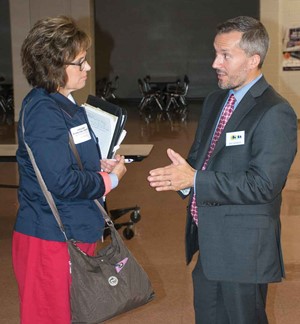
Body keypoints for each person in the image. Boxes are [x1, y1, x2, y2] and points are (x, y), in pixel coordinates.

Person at [147, 16, 297, 324]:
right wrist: (183, 179)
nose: (216, 63)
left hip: (244, 251)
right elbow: (200, 160)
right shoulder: (217, 100)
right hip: (209, 243)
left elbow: (264, 185)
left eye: (226, 55)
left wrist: (196, 179)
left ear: (253, 59)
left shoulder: (274, 111)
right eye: (216, 53)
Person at [12, 16, 127, 324]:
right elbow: (61, 181)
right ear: (53, 67)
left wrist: (98, 164)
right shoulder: (43, 111)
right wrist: (109, 180)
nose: (87, 68)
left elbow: (69, 161)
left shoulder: (63, 103)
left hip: (74, 229)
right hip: (50, 237)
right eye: (80, 62)